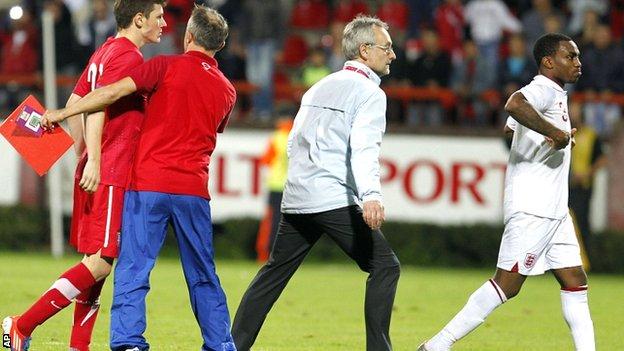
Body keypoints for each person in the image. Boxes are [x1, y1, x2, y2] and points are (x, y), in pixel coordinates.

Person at [41, 6, 236, 351]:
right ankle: (220, 344)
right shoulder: (227, 91)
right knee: (203, 274)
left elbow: (110, 94)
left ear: (188, 36)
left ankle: (129, 343)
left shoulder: (163, 66)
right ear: (219, 46)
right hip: (193, 189)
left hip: (148, 185)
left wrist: (63, 113)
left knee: (133, 269)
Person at [2, 2, 166, 351]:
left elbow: (78, 97)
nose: (164, 24)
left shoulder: (105, 49)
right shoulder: (129, 57)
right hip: (110, 169)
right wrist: (95, 159)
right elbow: (95, 104)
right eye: (158, 17)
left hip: (99, 166)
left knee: (95, 264)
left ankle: (79, 346)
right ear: (139, 20)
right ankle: (22, 324)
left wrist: (82, 153)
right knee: (101, 263)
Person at [231, 15, 401, 351]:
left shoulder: (319, 85)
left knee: (273, 274)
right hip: (331, 196)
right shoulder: (370, 94)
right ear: (365, 51)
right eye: (387, 47)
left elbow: (294, 141)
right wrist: (371, 196)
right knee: (385, 266)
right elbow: (365, 149)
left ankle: (232, 346)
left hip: (297, 195)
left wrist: (303, 178)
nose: (393, 54)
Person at [418, 33, 595, 351]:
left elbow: (508, 129)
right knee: (507, 285)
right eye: (571, 56)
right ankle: (436, 345)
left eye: (578, 56)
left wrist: (547, 137)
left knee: (575, 281)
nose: (578, 63)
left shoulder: (554, 93)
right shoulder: (542, 88)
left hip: (554, 210)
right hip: (533, 207)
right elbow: (513, 104)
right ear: (548, 61)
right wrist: (555, 133)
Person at [255, 108, 294, 262]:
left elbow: (265, 162)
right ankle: (287, 256)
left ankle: (266, 255)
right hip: (293, 187)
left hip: (277, 185)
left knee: (272, 222)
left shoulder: (277, 138)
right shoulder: (298, 135)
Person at [568, 100, 607, 252]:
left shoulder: (591, 135)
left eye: (575, 110)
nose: (572, 113)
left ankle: (585, 260)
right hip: (564, 184)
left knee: (582, 222)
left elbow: (602, 158)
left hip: (583, 185)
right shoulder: (562, 132)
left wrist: (586, 174)